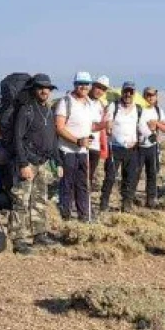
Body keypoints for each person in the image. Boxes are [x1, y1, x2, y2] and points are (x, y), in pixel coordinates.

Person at [8, 73, 59, 254]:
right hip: (27, 162)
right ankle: (18, 239)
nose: (44, 91)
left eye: (47, 88)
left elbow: (53, 138)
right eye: (40, 87)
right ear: (34, 90)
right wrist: (23, 164)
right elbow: (17, 138)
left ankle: (39, 234)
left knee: (39, 200)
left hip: (43, 162)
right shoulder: (26, 109)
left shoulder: (48, 110)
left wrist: (57, 161)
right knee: (21, 200)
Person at [55, 72, 99, 221]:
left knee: (82, 184)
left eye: (86, 84)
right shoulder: (65, 102)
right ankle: (65, 215)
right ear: (75, 84)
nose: (84, 86)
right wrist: (78, 141)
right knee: (67, 184)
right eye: (81, 83)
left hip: (83, 151)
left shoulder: (89, 103)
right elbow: (59, 127)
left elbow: (90, 125)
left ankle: (83, 215)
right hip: (67, 151)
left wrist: (104, 125)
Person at [99, 81, 143, 213]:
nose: (128, 94)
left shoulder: (138, 109)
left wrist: (140, 139)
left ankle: (126, 203)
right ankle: (104, 202)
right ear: (122, 92)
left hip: (132, 149)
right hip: (115, 148)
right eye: (126, 91)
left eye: (131, 92)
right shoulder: (114, 106)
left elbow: (141, 128)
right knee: (110, 177)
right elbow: (107, 122)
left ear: (134, 93)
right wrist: (108, 126)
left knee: (129, 177)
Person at [137, 86, 165, 208]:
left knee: (152, 174)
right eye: (148, 95)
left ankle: (150, 200)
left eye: (153, 95)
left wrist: (156, 124)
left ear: (156, 97)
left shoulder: (158, 110)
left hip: (153, 146)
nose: (151, 97)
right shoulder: (138, 109)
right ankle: (129, 199)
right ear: (144, 96)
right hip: (138, 146)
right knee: (134, 174)